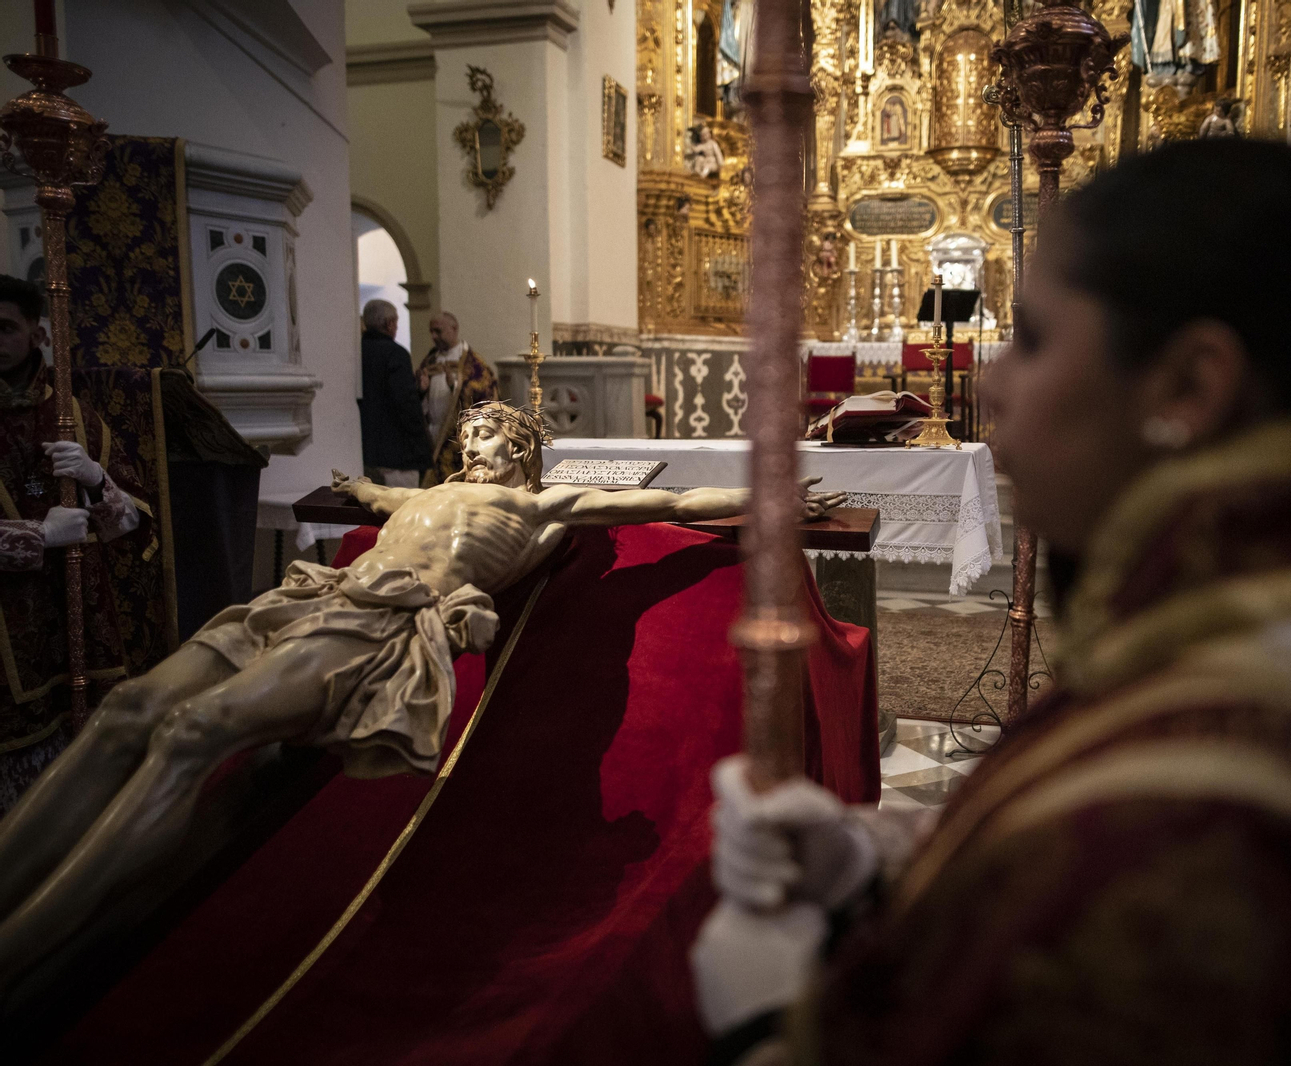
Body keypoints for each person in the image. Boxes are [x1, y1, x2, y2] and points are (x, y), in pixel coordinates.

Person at [691, 140, 1291, 1064]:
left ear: (1189, 385)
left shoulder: (1200, 835)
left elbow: (1116, 871)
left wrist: (767, 1024)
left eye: (1031, 338)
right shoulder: (1257, 641)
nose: (990, 382)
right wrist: (871, 863)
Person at [0, 398, 845, 993]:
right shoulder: (427, 492)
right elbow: (362, 493)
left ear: (523, 451)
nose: (474, 447)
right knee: (124, 713)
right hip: (302, 598)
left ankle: (23, 947)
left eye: (490, 436)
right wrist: (356, 486)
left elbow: (674, 498)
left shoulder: (546, 502)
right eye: (469, 435)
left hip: (382, 619)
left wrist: (770, 499)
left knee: (197, 732)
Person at [0, 275, 143, 816]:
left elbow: (129, 521)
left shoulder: (69, 415)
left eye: (5, 327)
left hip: (73, 612)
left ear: (38, 334)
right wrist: (39, 536)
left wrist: (94, 478)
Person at [415, 310, 500, 487]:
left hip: (456, 437)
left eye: (438, 331)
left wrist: (456, 388)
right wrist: (421, 390)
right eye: (431, 331)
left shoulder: (473, 364)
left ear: (454, 329)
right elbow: (418, 398)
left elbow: (484, 395)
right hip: (432, 433)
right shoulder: (430, 360)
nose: (433, 336)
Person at [358, 299, 432, 487]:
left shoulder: (356, 351)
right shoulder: (395, 354)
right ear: (389, 323)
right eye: (396, 323)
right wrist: (423, 447)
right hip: (397, 455)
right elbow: (404, 403)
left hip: (364, 451)